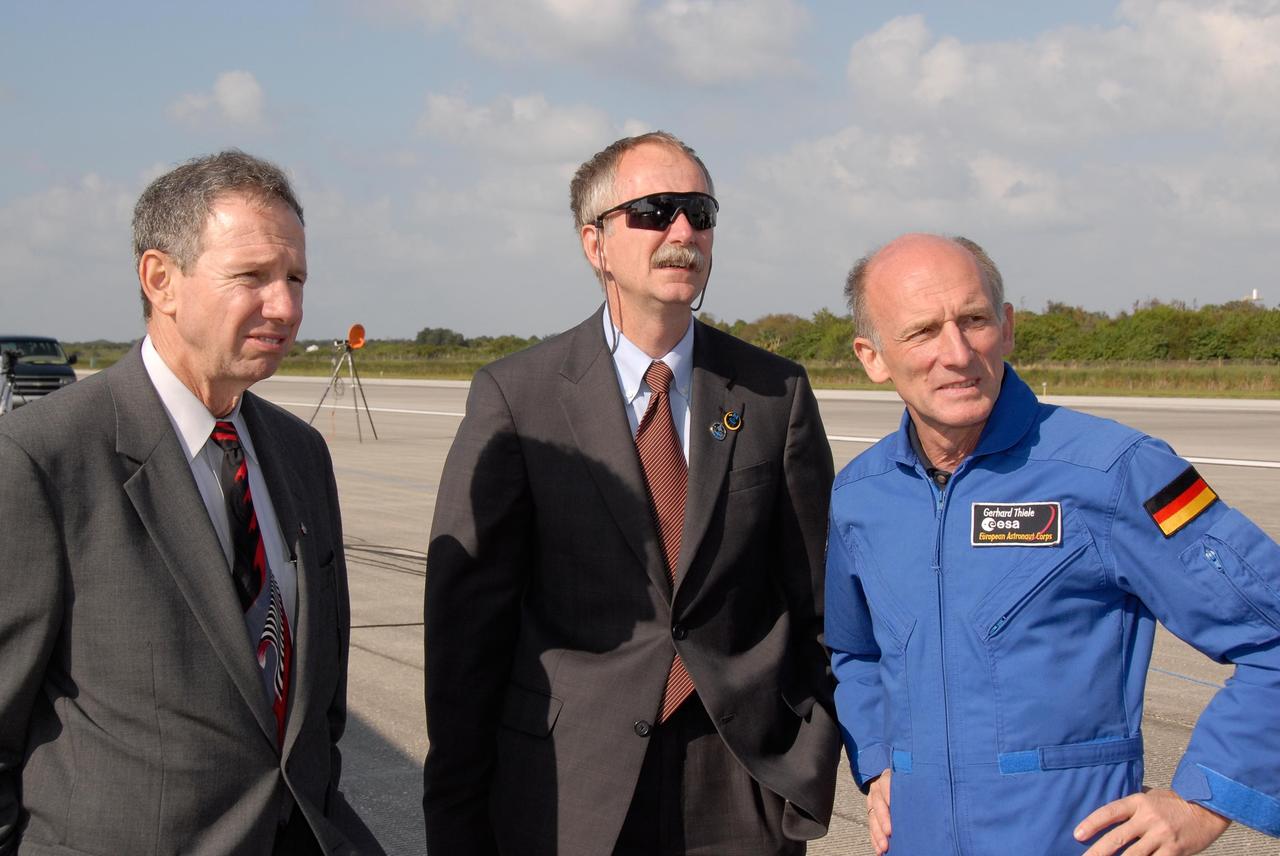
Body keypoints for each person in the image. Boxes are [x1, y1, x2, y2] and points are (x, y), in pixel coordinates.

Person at [423, 131, 840, 855]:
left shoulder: (775, 393)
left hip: (737, 786)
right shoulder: (517, 397)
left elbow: (821, 603)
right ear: (596, 244)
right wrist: (457, 818)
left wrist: (807, 764)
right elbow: (466, 634)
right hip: (569, 785)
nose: (683, 231)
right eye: (654, 211)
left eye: (699, 213)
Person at [825, 232, 1280, 855]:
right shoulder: (860, 496)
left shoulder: (1119, 472)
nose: (957, 353)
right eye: (923, 331)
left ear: (1007, 328)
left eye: (975, 320)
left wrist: (1205, 800)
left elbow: (1272, 632)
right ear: (872, 357)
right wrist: (877, 764)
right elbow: (852, 652)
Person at [0, 150, 374, 855]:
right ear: (160, 280)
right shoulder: (41, 457)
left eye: (295, 278)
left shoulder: (301, 454)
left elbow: (317, 712)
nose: (286, 306)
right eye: (252, 277)